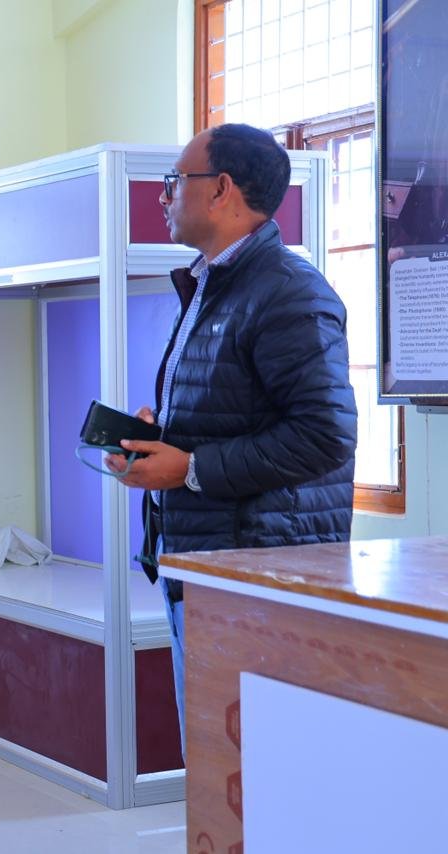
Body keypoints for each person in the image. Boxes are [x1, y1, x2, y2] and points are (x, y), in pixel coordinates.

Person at [107, 123, 358, 753]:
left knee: (255, 773)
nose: (163, 195)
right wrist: (158, 438)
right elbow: (231, 414)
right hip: (204, 567)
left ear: (220, 190)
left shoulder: (289, 292)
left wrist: (188, 467)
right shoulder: (214, 284)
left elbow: (325, 434)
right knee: (216, 774)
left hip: (259, 579)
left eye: (175, 181)